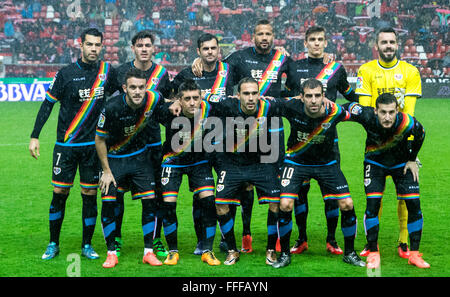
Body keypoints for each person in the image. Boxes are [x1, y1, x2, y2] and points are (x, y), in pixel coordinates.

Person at [194, 19, 294, 254]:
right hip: (242, 132)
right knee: (241, 186)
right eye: (260, 33)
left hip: (273, 134)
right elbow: (216, 66)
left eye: (268, 33)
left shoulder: (283, 59)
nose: (264, 37)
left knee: (278, 188)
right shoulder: (239, 58)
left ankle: (278, 236)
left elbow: (302, 77)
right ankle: (241, 234)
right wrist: (199, 60)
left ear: (274, 35)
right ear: (253, 36)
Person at [29, 28, 120, 261]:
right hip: (66, 146)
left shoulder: (107, 72)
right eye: (89, 44)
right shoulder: (66, 74)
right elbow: (48, 104)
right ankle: (53, 243)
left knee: (89, 194)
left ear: (102, 46)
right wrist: (35, 135)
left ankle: (87, 245)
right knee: (59, 192)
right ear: (80, 45)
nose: (93, 49)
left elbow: (128, 90)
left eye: (97, 45)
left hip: (93, 147)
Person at [283, 25, 359, 255]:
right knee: (299, 196)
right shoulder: (294, 68)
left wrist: (369, 106)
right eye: (312, 40)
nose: (317, 43)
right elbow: (285, 97)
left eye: (320, 39)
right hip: (299, 145)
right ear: (305, 43)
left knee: (331, 197)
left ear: (326, 42)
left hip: (328, 144)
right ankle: (302, 238)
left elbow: (350, 94)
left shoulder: (335, 68)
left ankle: (332, 240)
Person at [274, 78, 365, 268]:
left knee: (347, 204)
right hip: (296, 161)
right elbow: (266, 103)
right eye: (309, 96)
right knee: (285, 204)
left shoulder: (335, 112)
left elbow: (363, 114)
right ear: (301, 97)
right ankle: (283, 254)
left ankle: (350, 253)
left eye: (317, 96)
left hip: (327, 163)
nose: (313, 100)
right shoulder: (291, 106)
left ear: (324, 96)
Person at [202, 77, 287, 266]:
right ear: (237, 95)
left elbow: (296, 102)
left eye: (254, 93)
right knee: (220, 205)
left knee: (276, 204)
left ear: (259, 94)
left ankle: (271, 250)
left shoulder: (270, 106)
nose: (250, 98)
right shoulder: (227, 105)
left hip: (261, 164)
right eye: (246, 94)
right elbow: (203, 97)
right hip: (234, 164)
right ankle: (232, 250)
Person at [355, 27, 422, 258]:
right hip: (375, 142)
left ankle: (404, 241)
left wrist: (411, 151)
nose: (388, 46)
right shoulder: (366, 70)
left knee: (406, 196)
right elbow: (365, 111)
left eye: (392, 42)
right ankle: (371, 244)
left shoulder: (410, 71)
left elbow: (410, 115)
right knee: (375, 196)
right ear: (377, 44)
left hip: (403, 142)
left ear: (397, 44)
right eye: (384, 42)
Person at [95, 68, 171, 268]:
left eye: (141, 87)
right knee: (109, 201)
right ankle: (111, 252)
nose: (138, 92)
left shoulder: (153, 99)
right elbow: (99, 140)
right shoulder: (111, 107)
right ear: (124, 89)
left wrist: (177, 103)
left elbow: (167, 108)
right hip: (115, 160)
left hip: (140, 159)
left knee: (150, 200)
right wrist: (106, 171)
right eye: (133, 88)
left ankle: (148, 252)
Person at [343, 94, 429, 269]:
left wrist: (412, 159)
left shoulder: (407, 122)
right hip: (375, 164)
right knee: (373, 204)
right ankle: (374, 252)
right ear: (375, 111)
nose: (387, 117)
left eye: (391, 112)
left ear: (397, 111)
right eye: (383, 112)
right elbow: (345, 106)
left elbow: (421, 133)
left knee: (414, 204)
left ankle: (414, 254)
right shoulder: (365, 114)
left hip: (401, 165)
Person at [171, 33, 234, 255]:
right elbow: (169, 98)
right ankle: (202, 240)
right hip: (199, 144)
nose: (209, 52)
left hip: (226, 142)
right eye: (205, 49)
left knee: (228, 191)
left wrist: (282, 53)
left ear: (219, 50)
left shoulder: (229, 70)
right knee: (202, 196)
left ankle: (229, 239)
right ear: (198, 51)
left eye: (213, 48)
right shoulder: (188, 74)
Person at [114, 30, 172, 258]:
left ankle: (155, 239)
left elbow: (166, 104)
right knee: (116, 195)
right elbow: (109, 100)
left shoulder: (162, 74)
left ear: (153, 48)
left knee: (155, 194)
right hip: (123, 145)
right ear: (133, 48)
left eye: (148, 45)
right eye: (140, 45)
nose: (144, 49)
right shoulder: (120, 72)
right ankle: (116, 238)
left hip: (152, 143)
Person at [158, 79, 221, 266]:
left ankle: (208, 250)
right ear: (180, 100)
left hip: (199, 161)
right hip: (172, 160)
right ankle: (173, 251)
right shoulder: (167, 112)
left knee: (209, 200)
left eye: (196, 98)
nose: (192, 102)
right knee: (168, 203)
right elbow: (148, 108)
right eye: (187, 99)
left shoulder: (210, 109)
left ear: (201, 98)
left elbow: (232, 106)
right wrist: (170, 103)